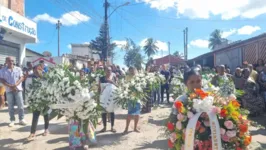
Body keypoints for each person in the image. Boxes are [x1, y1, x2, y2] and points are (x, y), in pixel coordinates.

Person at [0, 57, 27, 127]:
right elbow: (2, 80)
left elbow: (22, 77)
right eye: (9, 61)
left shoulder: (18, 69)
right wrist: (10, 86)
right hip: (9, 90)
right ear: (6, 61)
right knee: (10, 106)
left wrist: (15, 85)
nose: (11, 62)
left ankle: (21, 119)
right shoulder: (2, 70)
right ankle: (12, 120)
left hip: (18, 89)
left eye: (12, 61)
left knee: (20, 105)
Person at [27, 66, 50, 141]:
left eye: (38, 70)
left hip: (44, 100)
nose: (36, 72)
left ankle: (46, 129)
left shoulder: (45, 78)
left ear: (41, 70)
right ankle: (32, 133)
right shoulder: (30, 77)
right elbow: (28, 88)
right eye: (35, 70)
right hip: (35, 100)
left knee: (46, 115)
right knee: (35, 116)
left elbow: (49, 88)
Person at [99, 67, 117, 133]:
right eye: (107, 70)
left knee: (112, 112)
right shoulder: (101, 78)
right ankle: (104, 127)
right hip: (103, 97)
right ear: (105, 71)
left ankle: (112, 127)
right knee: (103, 112)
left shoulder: (113, 78)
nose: (109, 72)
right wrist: (98, 96)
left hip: (111, 97)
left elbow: (117, 85)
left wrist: (112, 82)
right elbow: (99, 87)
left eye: (110, 71)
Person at [124, 67, 141, 133]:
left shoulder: (138, 77)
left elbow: (141, 87)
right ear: (129, 71)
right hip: (130, 98)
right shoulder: (127, 77)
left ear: (135, 70)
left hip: (137, 98)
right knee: (129, 114)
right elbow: (125, 86)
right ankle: (126, 128)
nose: (132, 72)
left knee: (137, 114)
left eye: (133, 71)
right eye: (130, 71)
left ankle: (135, 128)